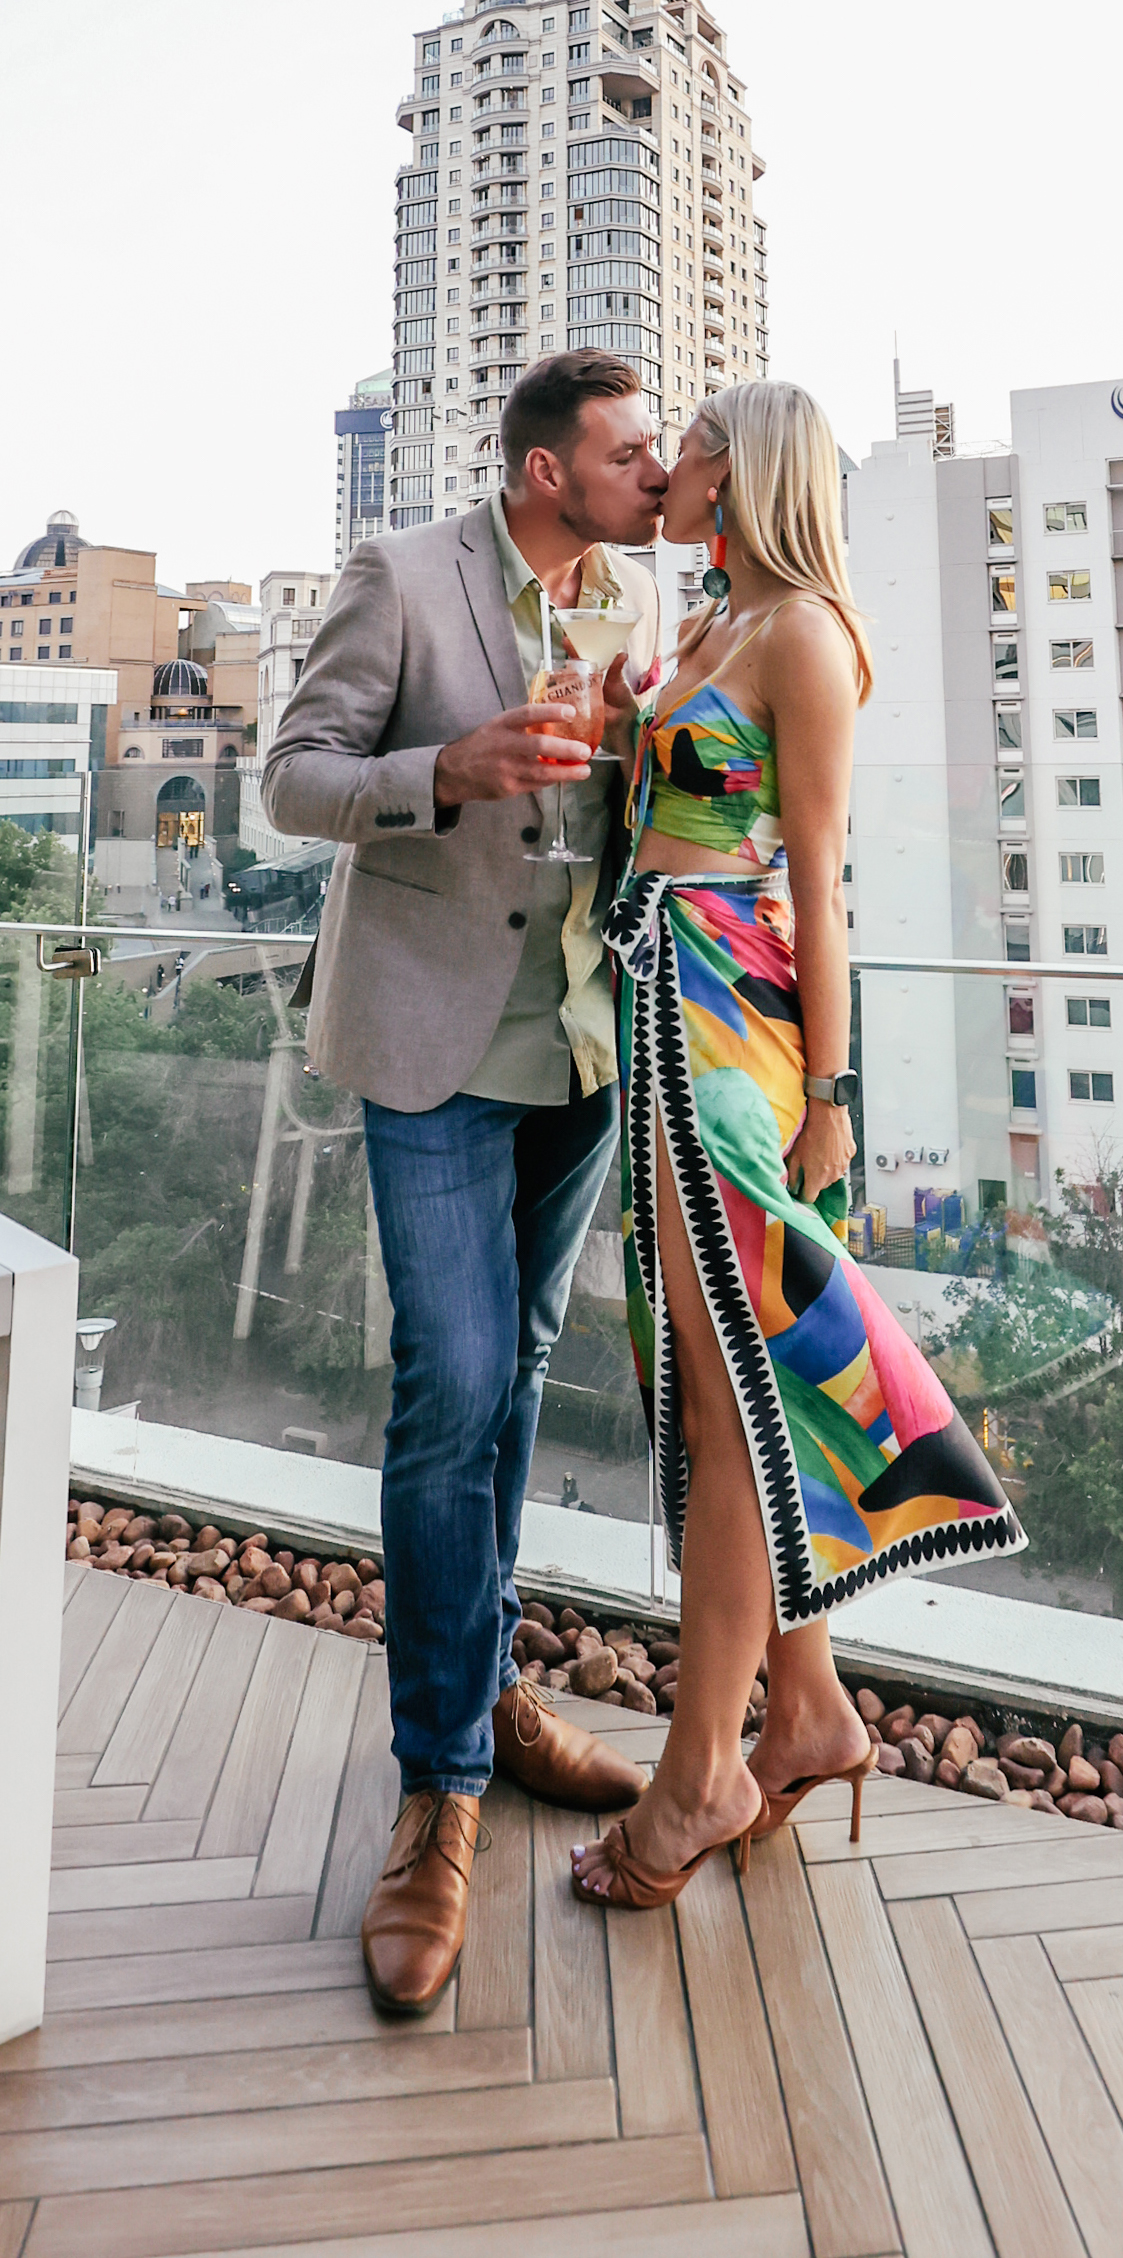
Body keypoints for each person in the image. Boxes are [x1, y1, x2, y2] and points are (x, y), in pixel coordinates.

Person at [570, 381, 1023, 1911]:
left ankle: (698, 1776)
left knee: (723, 1398)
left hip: (725, 1027)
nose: (664, 464)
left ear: (741, 467)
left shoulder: (806, 635)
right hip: (653, 1002)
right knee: (715, 1387)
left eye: (685, 444)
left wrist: (834, 1097)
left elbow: (816, 885)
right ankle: (810, 1706)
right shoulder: (706, 627)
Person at [262, 347, 667, 2013]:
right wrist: (452, 772)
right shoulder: (400, 576)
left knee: (513, 1399)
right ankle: (437, 1786)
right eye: (631, 451)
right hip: (431, 1061)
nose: (656, 472)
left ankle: (490, 1696)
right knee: (455, 1389)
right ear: (541, 472)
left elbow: (627, 820)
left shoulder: (635, 596)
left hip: (576, 1057)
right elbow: (289, 778)